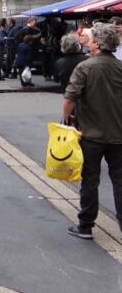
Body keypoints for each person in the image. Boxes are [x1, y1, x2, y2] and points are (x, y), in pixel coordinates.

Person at [62, 22, 122, 239]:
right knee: (119, 181)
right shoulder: (120, 67)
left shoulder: (86, 67)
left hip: (91, 134)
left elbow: (70, 97)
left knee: (90, 179)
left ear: (96, 44)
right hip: (118, 133)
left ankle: (86, 224)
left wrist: (66, 119)